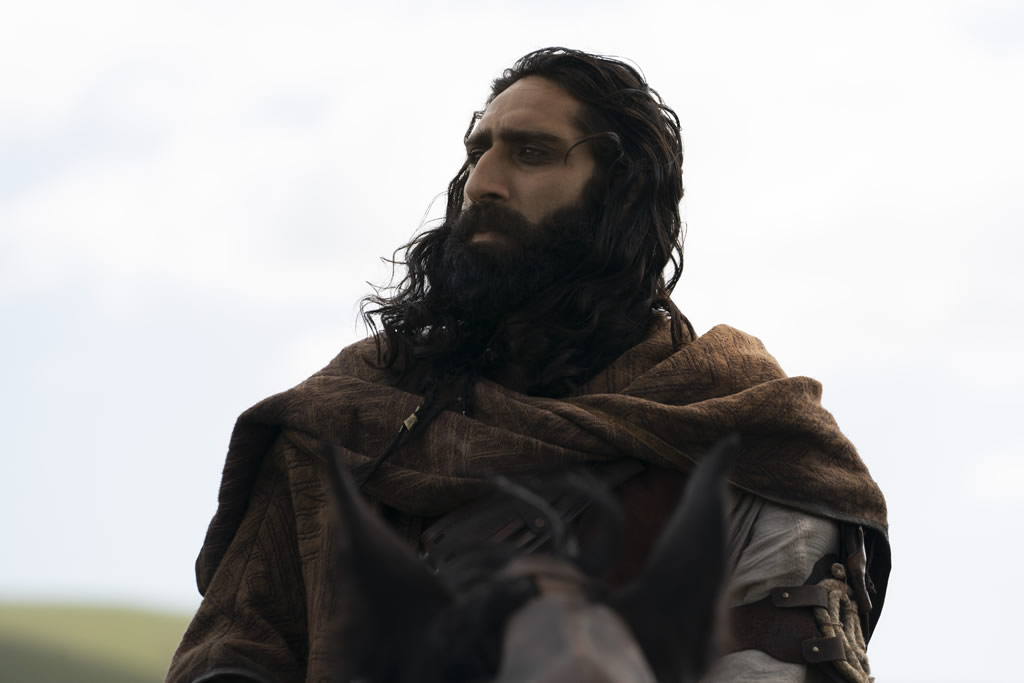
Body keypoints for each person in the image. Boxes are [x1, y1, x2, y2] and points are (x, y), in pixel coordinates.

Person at [167, 47, 889, 683]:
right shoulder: (344, 420)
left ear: (620, 193)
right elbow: (237, 651)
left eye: (532, 153)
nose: (482, 183)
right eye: (477, 152)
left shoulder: (745, 434)